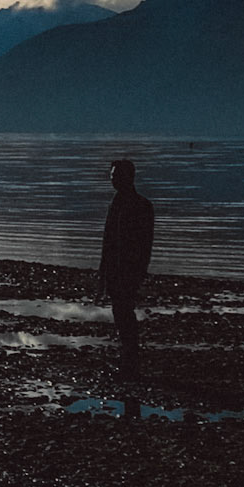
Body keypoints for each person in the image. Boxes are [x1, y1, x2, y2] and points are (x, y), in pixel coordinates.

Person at [98, 157, 154, 375]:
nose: (112, 180)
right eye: (112, 176)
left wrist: (139, 270)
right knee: (120, 311)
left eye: (115, 176)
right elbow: (108, 241)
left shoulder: (140, 205)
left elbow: (144, 242)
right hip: (115, 268)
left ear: (127, 177)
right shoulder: (118, 202)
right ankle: (128, 354)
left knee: (124, 311)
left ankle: (131, 357)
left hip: (128, 269)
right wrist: (103, 272)